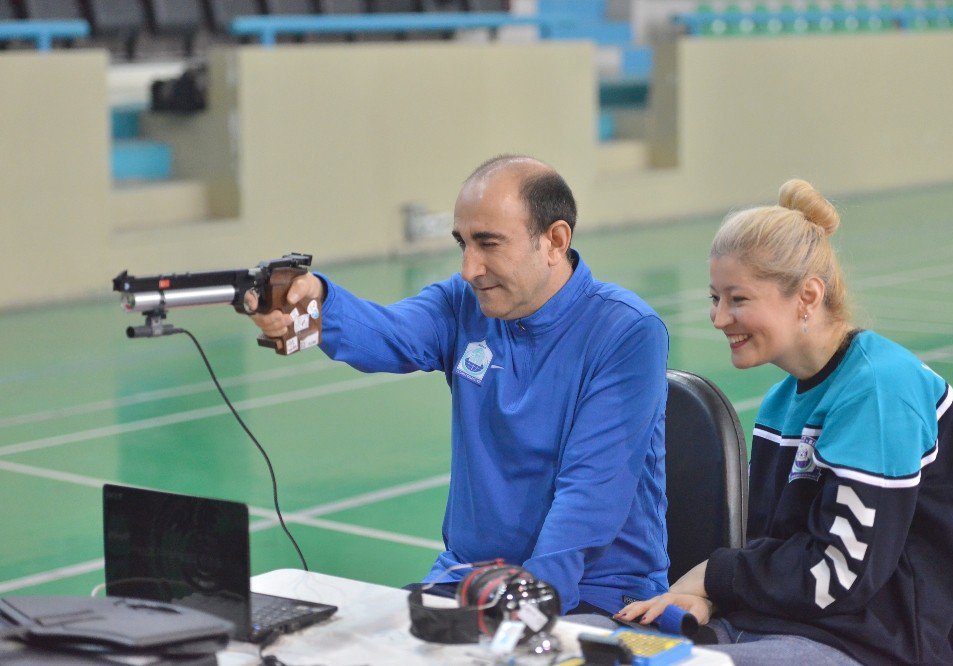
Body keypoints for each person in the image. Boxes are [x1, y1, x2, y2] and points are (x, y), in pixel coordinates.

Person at [251, 155, 670, 615]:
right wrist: (318, 304)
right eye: (463, 244)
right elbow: (387, 335)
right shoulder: (462, 303)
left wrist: (528, 607)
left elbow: (590, 494)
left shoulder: (627, 331)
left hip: (596, 594)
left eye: (488, 244)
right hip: (468, 578)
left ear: (554, 240)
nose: (470, 268)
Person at [616, 179, 953, 664]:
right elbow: (769, 547)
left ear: (807, 296)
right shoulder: (783, 400)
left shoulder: (879, 390)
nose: (719, 318)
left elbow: (839, 577)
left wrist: (712, 577)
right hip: (768, 626)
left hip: (866, 646)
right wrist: (704, 598)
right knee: (613, 651)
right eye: (714, 298)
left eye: (737, 299)